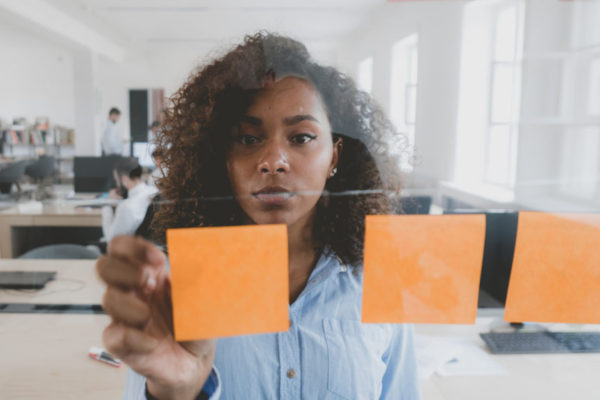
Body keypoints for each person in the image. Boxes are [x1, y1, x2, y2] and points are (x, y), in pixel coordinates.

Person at [96, 32, 419, 399]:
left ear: (334, 156)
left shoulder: (380, 281)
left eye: (301, 137)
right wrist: (176, 394)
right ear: (223, 159)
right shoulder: (183, 287)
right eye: (248, 139)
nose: (273, 162)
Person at [101, 157, 157, 242]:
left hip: (128, 251)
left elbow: (111, 241)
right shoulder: (154, 192)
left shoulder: (127, 206)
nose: (117, 184)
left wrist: (107, 205)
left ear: (124, 179)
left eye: (117, 180)